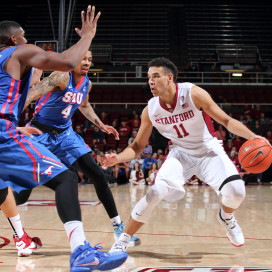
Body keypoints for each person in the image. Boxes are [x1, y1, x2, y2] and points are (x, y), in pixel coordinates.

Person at [0, 6, 128, 271]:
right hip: (19, 131)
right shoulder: (20, 51)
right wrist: (88, 36)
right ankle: (81, 252)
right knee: (65, 178)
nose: (27, 40)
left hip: (47, 131)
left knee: (7, 192)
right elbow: (69, 62)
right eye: (23, 36)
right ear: (14, 39)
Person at [102, 57, 271, 253]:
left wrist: (253, 137)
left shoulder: (193, 93)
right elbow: (138, 145)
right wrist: (118, 158)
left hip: (208, 150)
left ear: (169, 78)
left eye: (156, 76)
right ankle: (122, 241)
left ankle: (226, 217)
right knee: (156, 192)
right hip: (180, 154)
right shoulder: (151, 110)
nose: (150, 81)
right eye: (149, 77)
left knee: (236, 192)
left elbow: (225, 119)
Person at [13, 51, 141, 247]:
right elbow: (31, 94)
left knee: (97, 174)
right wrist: (9, 121)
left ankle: (118, 228)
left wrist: (100, 124)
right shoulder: (61, 76)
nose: (87, 62)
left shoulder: (87, 83)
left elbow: (85, 105)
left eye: (90, 59)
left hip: (66, 135)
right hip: (40, 133)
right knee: (21, 195)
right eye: (83, 58)